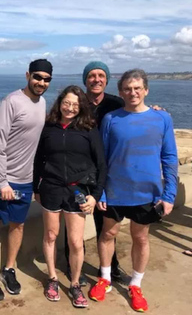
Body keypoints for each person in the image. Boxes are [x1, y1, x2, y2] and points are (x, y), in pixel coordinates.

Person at [89, 69, 178, 312]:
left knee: (140, 237)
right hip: (115, 191)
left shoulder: (162, 119)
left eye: (137, 88)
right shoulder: (111, 119)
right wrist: (102, 193)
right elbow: (102, 159)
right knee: (108, 235)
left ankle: (135, 284)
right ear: (120, 92)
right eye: (127, 88)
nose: (133, 92)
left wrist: (169, 195)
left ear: (146, 90)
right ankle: (105, 278)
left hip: (147, 192)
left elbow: (169, 157)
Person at [0, 59, 53, 301]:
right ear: (27, 75)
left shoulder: (42, 103)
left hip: (25, 178)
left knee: (18, 225)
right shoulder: (10, 102)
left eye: (46, 79)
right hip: (0, 177)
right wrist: (3, 182)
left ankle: (8, 268)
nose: (41, 82)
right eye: (37, 77)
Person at [33, 85, 107, 308]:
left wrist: (95, 195)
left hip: (78, 191)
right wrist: (36, 187)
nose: (70, 108)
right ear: (60, 103)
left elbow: (101, 164)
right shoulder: (49, 127)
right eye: (67, 103)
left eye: (75, 104)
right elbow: (38, 159)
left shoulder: (88, 129)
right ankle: (53, 278)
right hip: (51, 188)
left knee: (75, 241)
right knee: (51, 235)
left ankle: (75, 284)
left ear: (81, 106)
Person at [63, 61, 125, 286]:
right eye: (91, 75)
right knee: (72, 219)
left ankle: (110, 265)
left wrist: (157, 110)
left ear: (107, 79)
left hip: (104, 173)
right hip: (77, 176)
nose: (96, 79)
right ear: (85, 80)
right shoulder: (76, 103)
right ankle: (71, 264)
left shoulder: (116, 103)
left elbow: (137, 110)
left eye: (101, 75)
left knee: (105, 222)